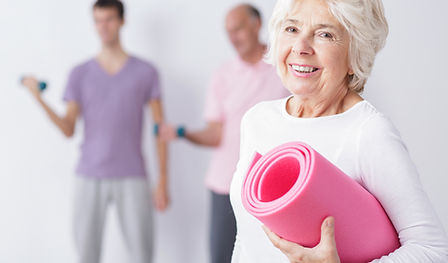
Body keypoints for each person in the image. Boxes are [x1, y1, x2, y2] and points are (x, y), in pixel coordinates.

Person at [229, 0, 448, 262]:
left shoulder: (368, 132)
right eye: (292, 29)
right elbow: (247, 236)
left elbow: (432, 249)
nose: (300, 47)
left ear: (355, 54)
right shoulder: (257, 119)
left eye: (325, 34)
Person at [21, 1, 169, 262]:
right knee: (86, 256)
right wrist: (39, 98)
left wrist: (163, 181)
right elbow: (68, 129)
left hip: (133, 175)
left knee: (142, 255)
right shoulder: (79, 74)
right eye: (98, 20)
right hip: (89, 176)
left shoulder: (146, 72)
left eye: (109, 19)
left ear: (122, 21)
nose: (103, 26)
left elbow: (161, 130)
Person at [158, 4, 289, 263]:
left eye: (238, 29)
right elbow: (215, 135)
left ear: (256, 25)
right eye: (228, 32)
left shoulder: (284, 67)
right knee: (221, 258)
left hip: (271, 185)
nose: (233, 38)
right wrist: (182, 132)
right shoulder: (223, 75)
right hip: (225, 186)